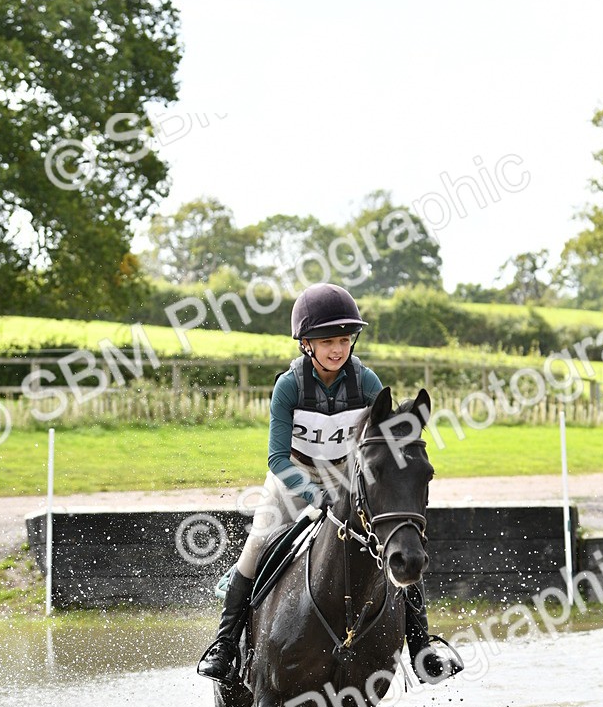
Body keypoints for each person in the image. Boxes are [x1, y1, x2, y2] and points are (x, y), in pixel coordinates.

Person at [197, 282, 462, 685]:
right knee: (255, 547)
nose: (337, 349)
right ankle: (225, 645)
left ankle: (421, 644)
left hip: (346, 477)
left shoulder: (366, 383)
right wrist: (314, 495)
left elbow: (385, 440)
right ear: (306, 344)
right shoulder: (289, 387)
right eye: (326, 341)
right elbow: (276, 458)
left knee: (393, 543)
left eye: (343, 339)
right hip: (293, 477)